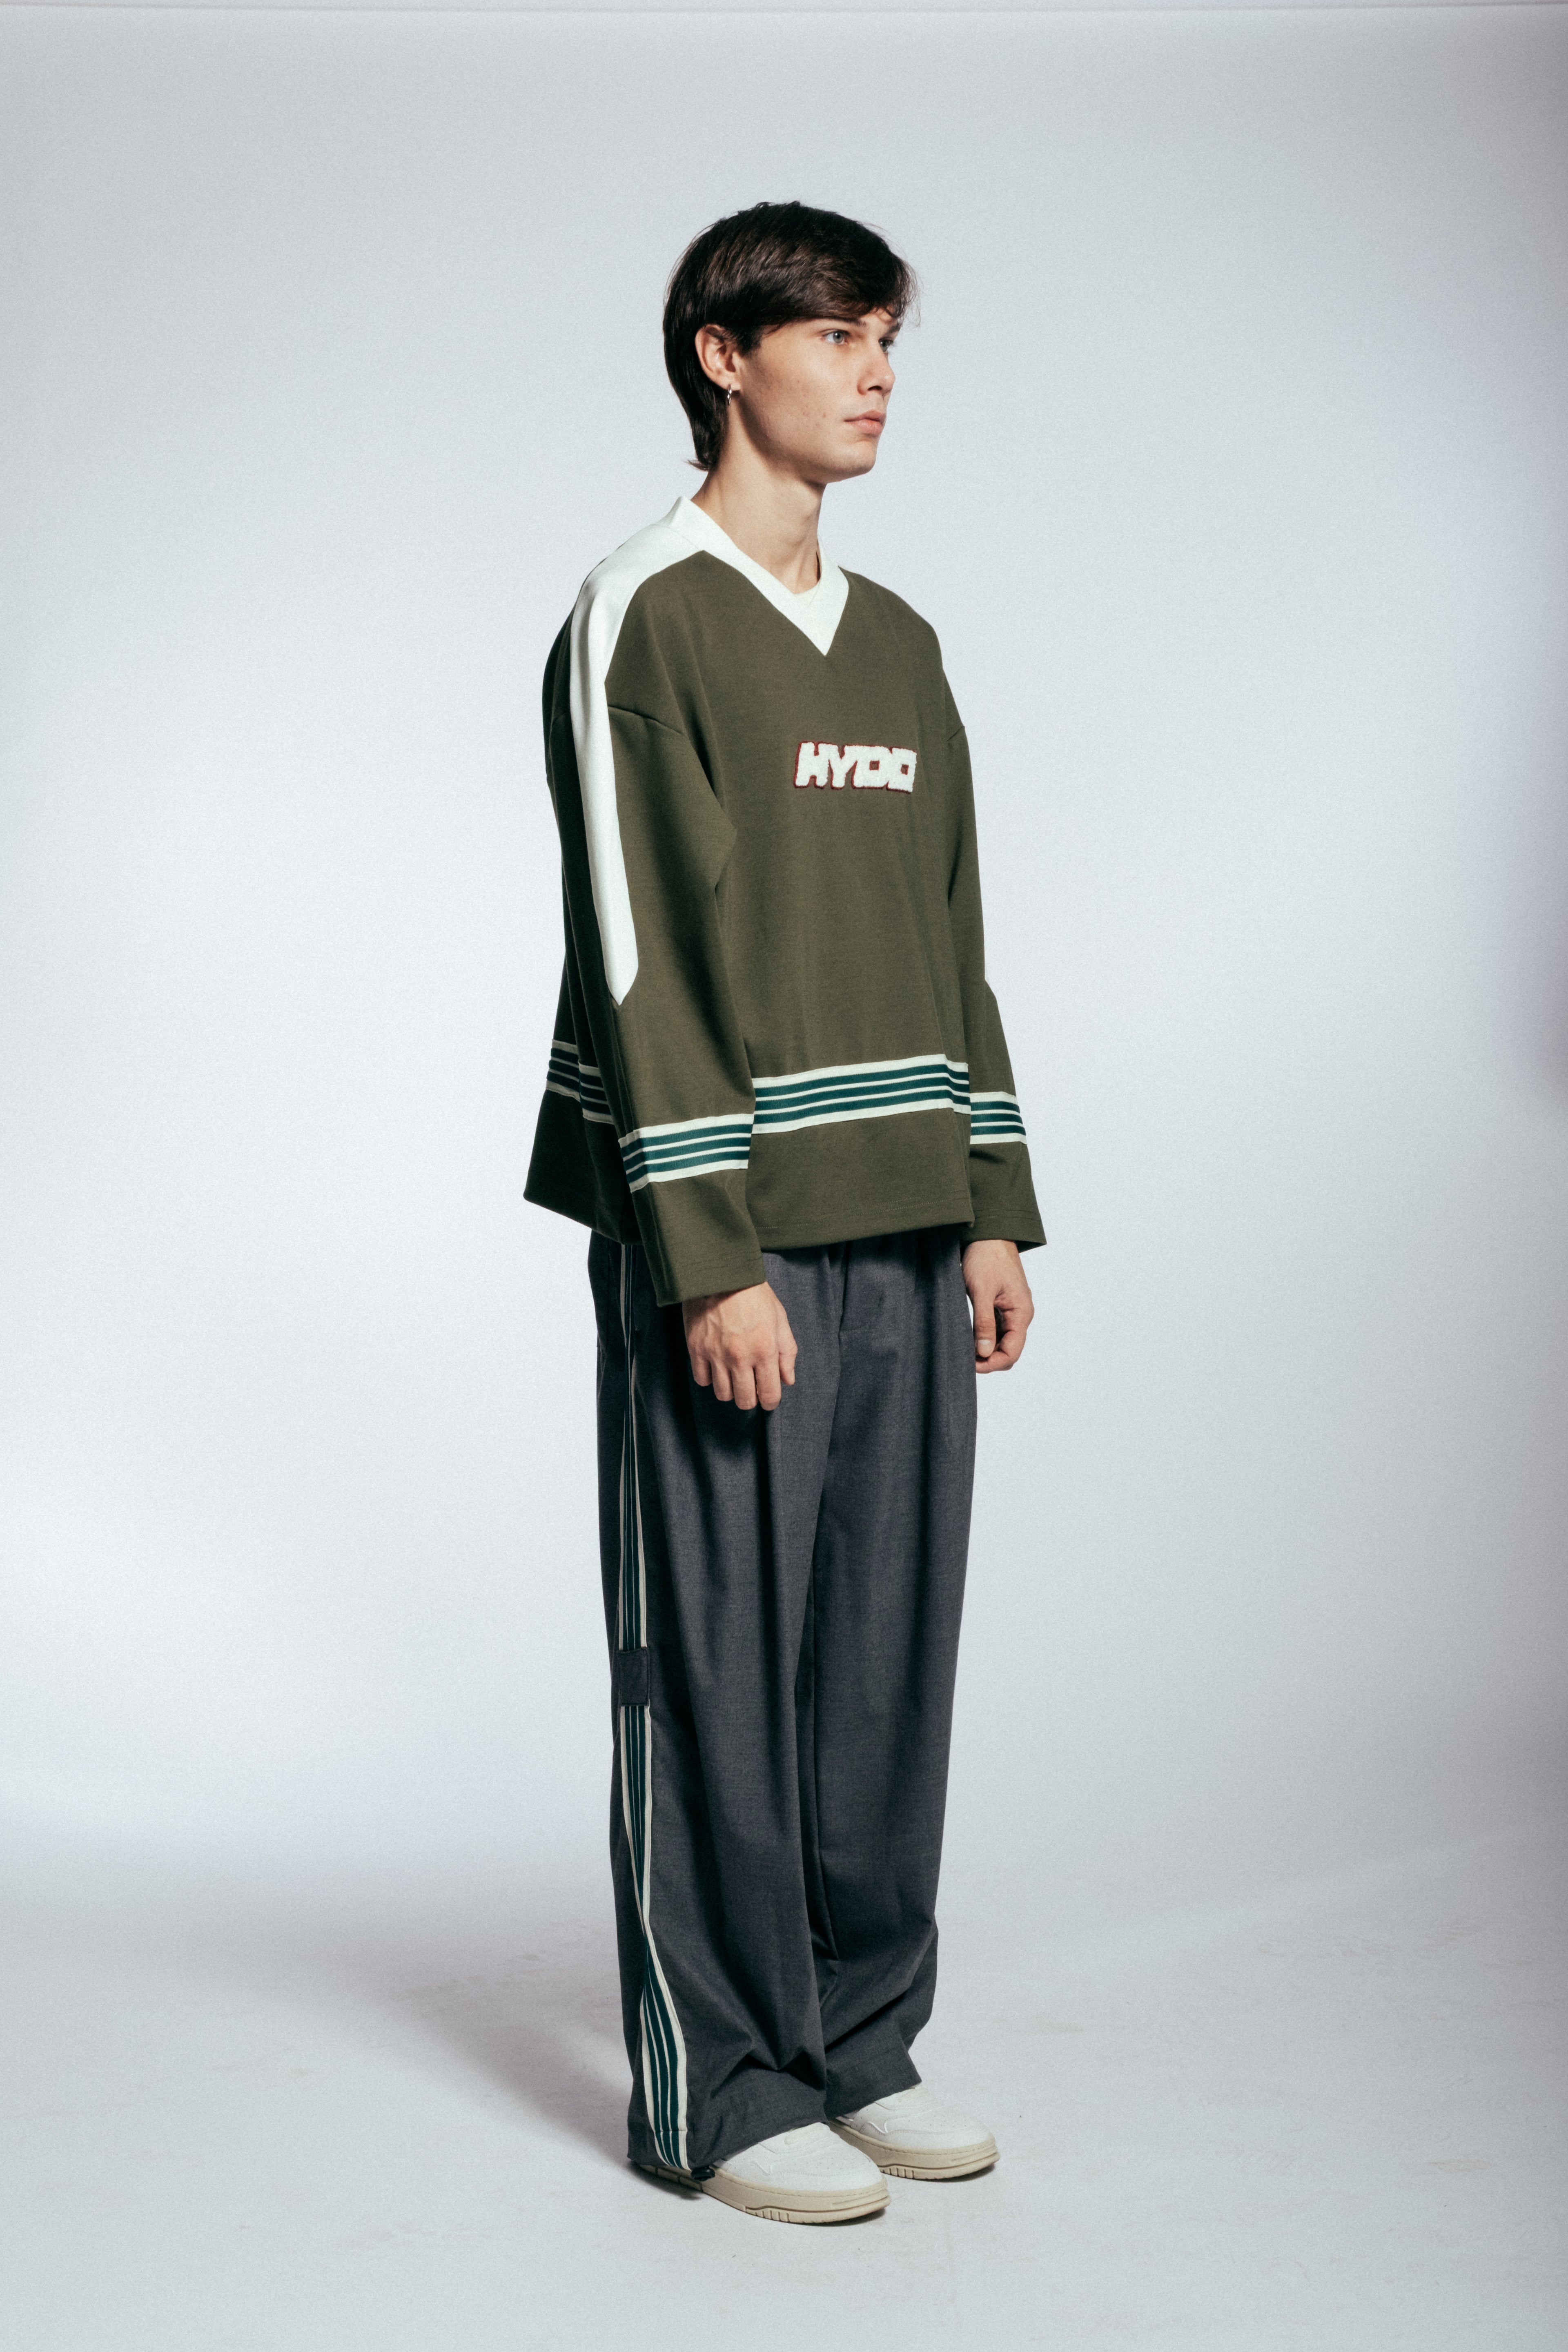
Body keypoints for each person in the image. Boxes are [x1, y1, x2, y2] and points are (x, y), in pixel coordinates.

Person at [525, 201, 1043, 2225]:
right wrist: (706, 1251)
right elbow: (636, 951)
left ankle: (859, 2043)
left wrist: (990, 1201)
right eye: (838, 336)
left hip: (907, 1217)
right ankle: (724, 2082)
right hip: (733, 1238)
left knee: (886, 1658)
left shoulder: (900, 643)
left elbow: (952, 933)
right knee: (722, 1663)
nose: (878, 373)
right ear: (725, 357)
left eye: (889, 337)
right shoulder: (641, 615)